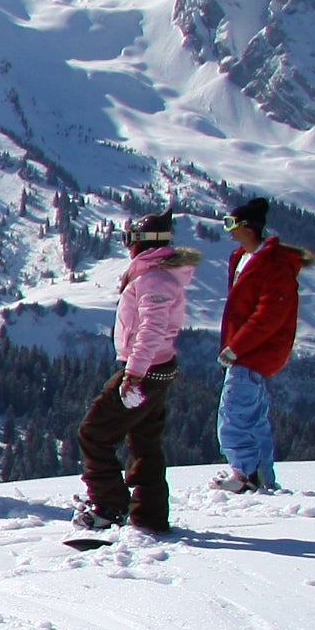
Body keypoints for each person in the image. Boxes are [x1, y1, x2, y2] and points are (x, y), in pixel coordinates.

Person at [75, 212, 200, 535]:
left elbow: (151, 328)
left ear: (137, 242)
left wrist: (133, 373)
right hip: (159, 366)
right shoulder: (160, 274)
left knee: (94, 432)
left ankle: (108, 507)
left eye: (127, 239)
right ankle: (150, 514)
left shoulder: (153, 278)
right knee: (145, 441)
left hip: (145, 370)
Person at [214, 196, 313, 493]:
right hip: (247, 350)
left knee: (233, 411)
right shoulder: (244, 258)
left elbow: (269, 313)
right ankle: (261, 475)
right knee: (254, 416)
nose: (228, 230)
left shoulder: (273, 264)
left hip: (253, 352)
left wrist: (237, 346)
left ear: (248, 226)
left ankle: (244, 474)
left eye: (232, 223)